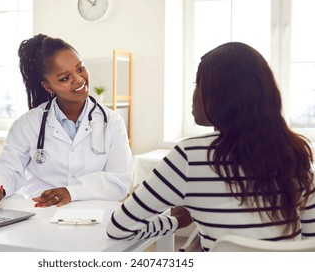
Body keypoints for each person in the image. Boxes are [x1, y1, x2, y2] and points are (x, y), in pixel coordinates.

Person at [106, 42, 315, 251]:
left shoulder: (190, 157)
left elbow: (119, 227)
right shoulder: (296, 153)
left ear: (222, 96)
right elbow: (310, 242)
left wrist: (177, 220)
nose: (194, 95)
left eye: (198, 84)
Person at [0, 34, 133, 207]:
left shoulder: (112, 122)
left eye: (80, 68)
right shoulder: (28, 124)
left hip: (93, 218)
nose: (78, 79)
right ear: (48, 86)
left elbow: (120, 181)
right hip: (40, 217)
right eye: (65, 78)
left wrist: (71, 192)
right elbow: (8, 168)